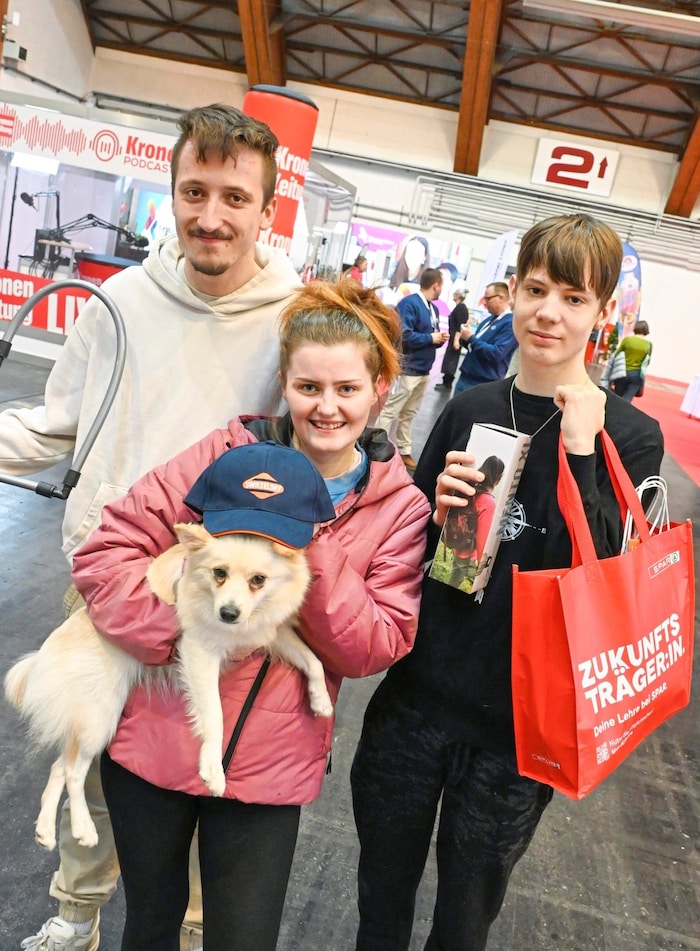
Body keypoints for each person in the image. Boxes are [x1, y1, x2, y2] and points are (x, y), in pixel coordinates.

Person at [1, 103, 303, 951]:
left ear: (267, 209)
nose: (211, 214)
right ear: (169, 193)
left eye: (234, 197)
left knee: (206, 768)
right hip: (105, 580)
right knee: (87, 758)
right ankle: (76, 908)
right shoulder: (121, 302)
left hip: (220, 599)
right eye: (194, 190)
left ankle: (198, 927)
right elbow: (61, 421)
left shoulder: (294, 322)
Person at [69, 279, 431, 951]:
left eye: (347, 389)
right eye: (308, 387)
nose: (326, 408)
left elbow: (377, 642)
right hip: (155, 738)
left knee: (241, 937)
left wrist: (309, 547)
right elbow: (106, 552)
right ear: (284, 381)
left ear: (381, 387)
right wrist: (172, 630)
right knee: (148, 923)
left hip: (269, 769)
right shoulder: (223, 455)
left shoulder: (397, 506)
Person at [350, 213, 664, 951]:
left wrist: (583, 452)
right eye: (536, 288)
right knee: (380, 902)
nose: (549, 311)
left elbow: (609, 587)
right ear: (514, 290)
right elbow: (404, 547)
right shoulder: (470, 410)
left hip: (519, 734)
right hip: (417, 701)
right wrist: (435, 507)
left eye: (574, 297)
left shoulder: (630, 436)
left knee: (464, 924)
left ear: (603, 311)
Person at [374, 267, 449, 472]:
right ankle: (375, 448)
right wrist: (430, 338)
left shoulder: (431, 309)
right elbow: (404, 335)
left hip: (423, 369)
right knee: (391, 410)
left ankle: (404, 449)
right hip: (408, 369)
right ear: (436, 285)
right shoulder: (409, 304)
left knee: (410, 413)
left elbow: (427, 335)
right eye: (441, 285)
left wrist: (437, 340)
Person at [444, 454, 504, 590]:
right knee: (481, 586)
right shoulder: (488, 502)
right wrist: (482, 568)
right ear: (498, 478)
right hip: (469, 557)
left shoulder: (470, 490)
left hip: (457, 547)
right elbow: (482, 539)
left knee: (453, 580)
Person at [454, 281, 517, 393]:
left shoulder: (510, 324)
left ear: (501, 298)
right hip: (466, 377)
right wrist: (464, 337)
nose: (484, 303)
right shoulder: (488, 321)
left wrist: (471, 338)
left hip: (483, 384)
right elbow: (473, 347)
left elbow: (496, 354)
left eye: (488, 299)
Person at [435, 281, 469, 392]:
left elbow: (460, 326)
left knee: (451, 360)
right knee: (449, 359)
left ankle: (447, 383)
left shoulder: (460, 308)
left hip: (456, 337)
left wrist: (456, 341)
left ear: (458, 296)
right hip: (454, 337)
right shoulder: (461, 307)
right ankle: (446, 381)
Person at [611, 319, 652, 402]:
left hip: (622, 372)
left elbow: (616, 355)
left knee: (616, 396)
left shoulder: (627, 340)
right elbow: (647, 362)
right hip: (637, 375)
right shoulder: (649, 345)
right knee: (628, 399)